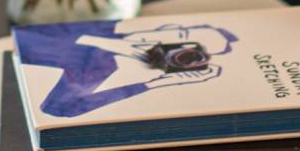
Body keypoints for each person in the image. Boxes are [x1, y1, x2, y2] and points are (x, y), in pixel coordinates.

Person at [16, 20, 238, 119]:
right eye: (183, 36)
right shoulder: (100, 23)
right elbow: (26, 38)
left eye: (195, 54)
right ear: (170, 27)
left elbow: (58, 110)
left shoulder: (97, 74)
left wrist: (157, 84)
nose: (178, 48)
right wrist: (114, 44)